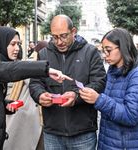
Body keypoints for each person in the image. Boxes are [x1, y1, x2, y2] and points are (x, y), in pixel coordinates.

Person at [29, 15, 106, 150]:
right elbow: (35, 83)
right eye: (55, 37)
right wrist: (40, 95)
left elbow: (99, 82)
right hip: (53, 131)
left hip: (83, 132)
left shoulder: (90, 52)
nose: (59, 42)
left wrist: (76, 96)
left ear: (74, 31)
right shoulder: (44, 54)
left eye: (63, 36)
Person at [79, 28, 138, 149]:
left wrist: (99, 99)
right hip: (109, 142)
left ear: (123, 47)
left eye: (108, 50)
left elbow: (131, 116)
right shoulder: (113, 70)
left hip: (127, 145)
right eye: (103, 51)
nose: (105, 55)